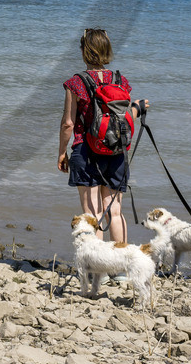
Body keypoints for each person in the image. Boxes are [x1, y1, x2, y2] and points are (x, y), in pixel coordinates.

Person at [56, 27, 147, 242]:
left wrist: (61, 153)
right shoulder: (120, 80)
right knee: (114, 212)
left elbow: (68, 124)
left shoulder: (76, 82)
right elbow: (123, 119)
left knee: (93, 214)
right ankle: (121, 269)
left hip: (86, 151)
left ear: (83, 51)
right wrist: (137, 107)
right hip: (116, 152)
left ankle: (99, 272)